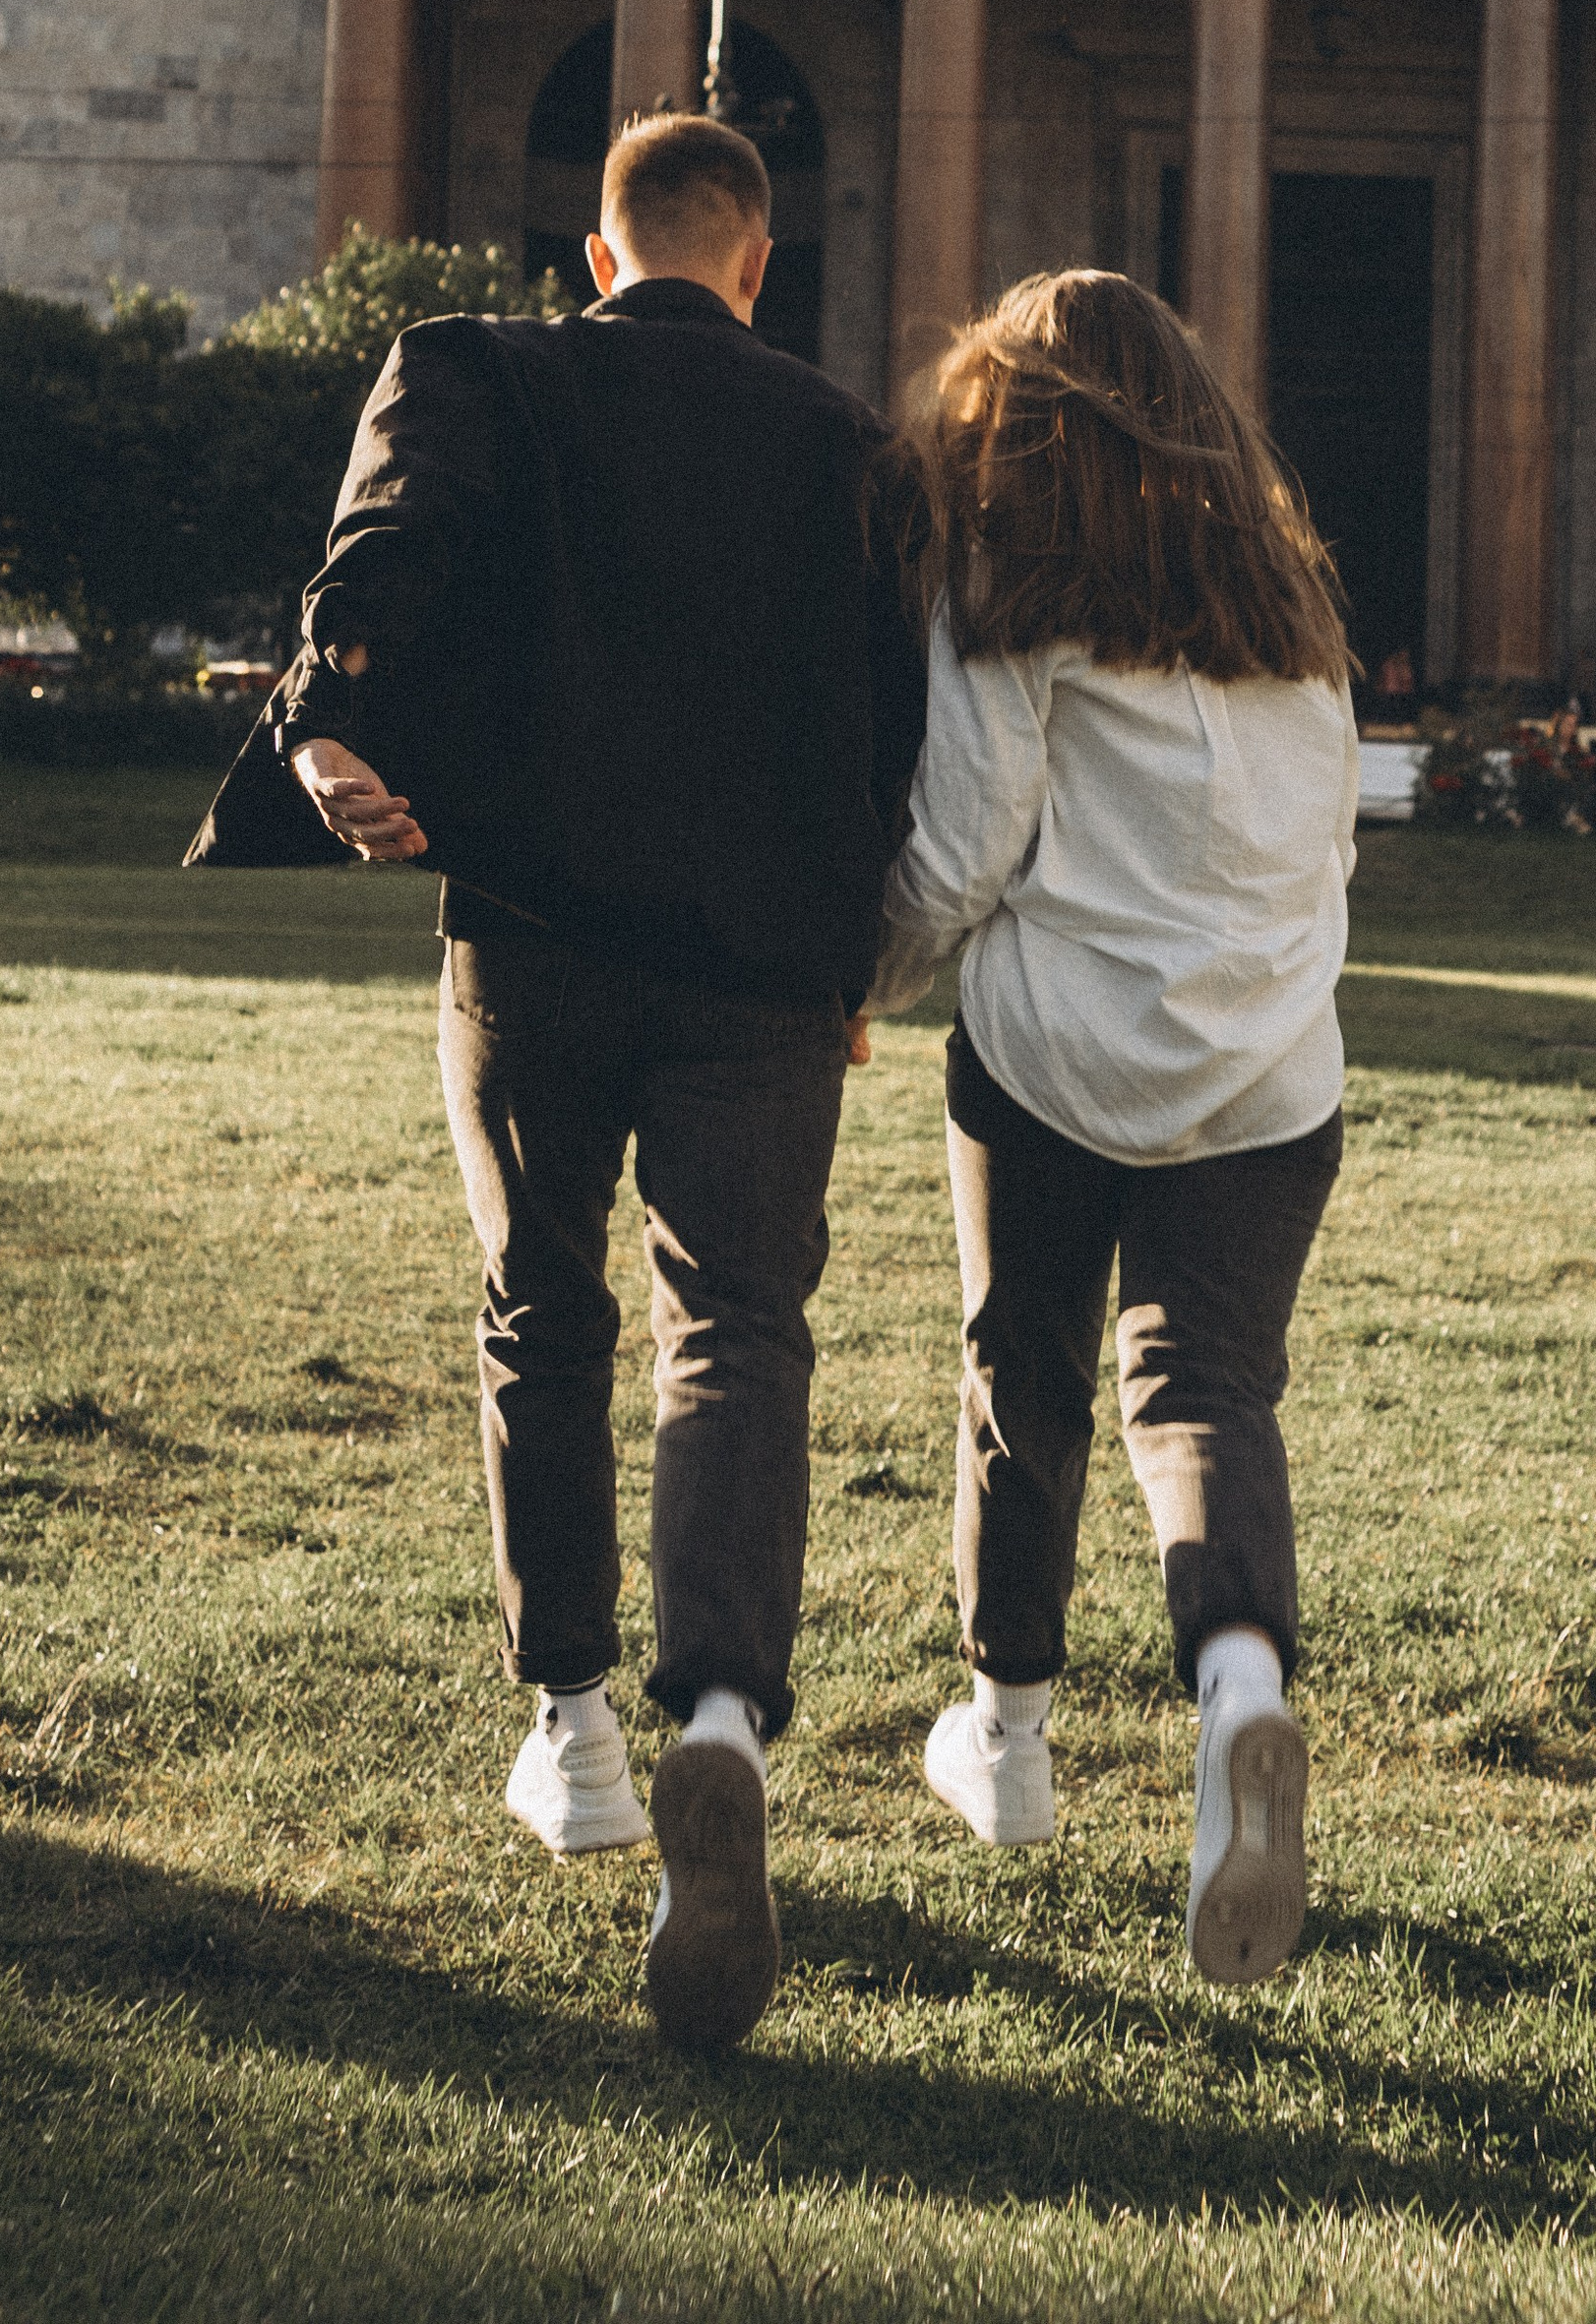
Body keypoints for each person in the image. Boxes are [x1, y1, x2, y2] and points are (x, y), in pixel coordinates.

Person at [266, 113, 922, 2052]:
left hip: (536, 932)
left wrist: (333, 727)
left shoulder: (485, 370)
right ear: (760, 258)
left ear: (595, 246)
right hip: (761, 976)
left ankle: (574, 1729)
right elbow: (897, 730)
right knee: (735, 1330)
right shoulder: (850, 449)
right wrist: (853, 958)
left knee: (537, 1309)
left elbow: (383, 547)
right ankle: (721, 1708)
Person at [870, 272, 1359, 1987]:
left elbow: (957, 857)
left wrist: (864, 986)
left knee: (1027, 1373)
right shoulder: (1292, 615)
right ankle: (1239, 1686)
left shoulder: (1009, 607)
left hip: (1056, 1063)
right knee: (1205, 1392)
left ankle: (1006, 1744)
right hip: (1271, 1081)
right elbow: (1327, 853)